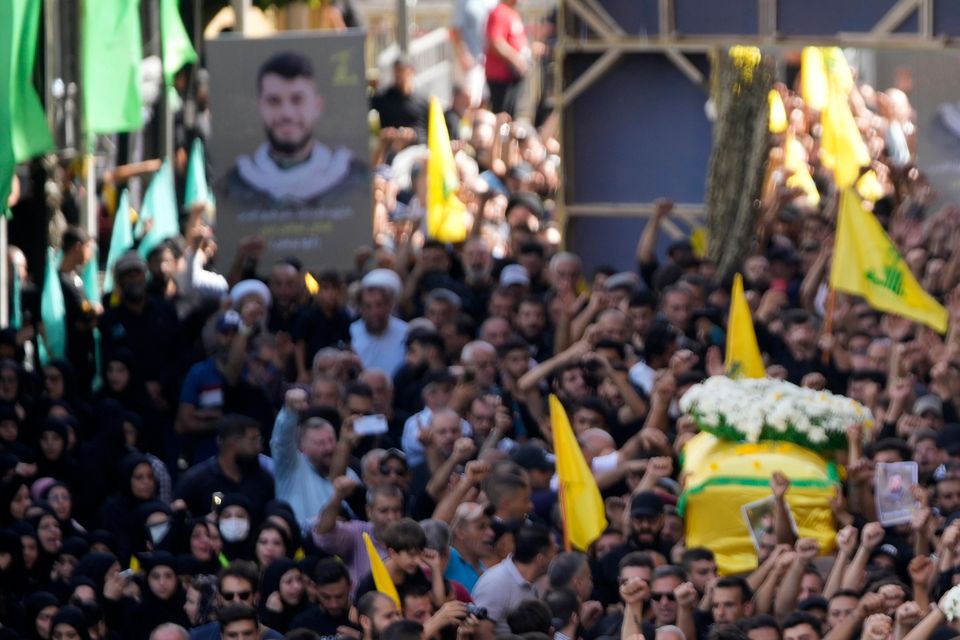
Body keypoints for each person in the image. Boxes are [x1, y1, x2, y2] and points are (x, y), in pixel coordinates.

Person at [222, 51, 365, 205]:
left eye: (297, 100)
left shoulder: (354, 179)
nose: (287, 114)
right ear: (260, 107)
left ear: (317, 106)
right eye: (274, 101)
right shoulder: (233, 185)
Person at [471, 521, 557, 635]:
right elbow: (481, 631)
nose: (556, 557)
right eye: (553, 551)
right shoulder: (496, 582)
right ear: (540, 558)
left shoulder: (534, 581)